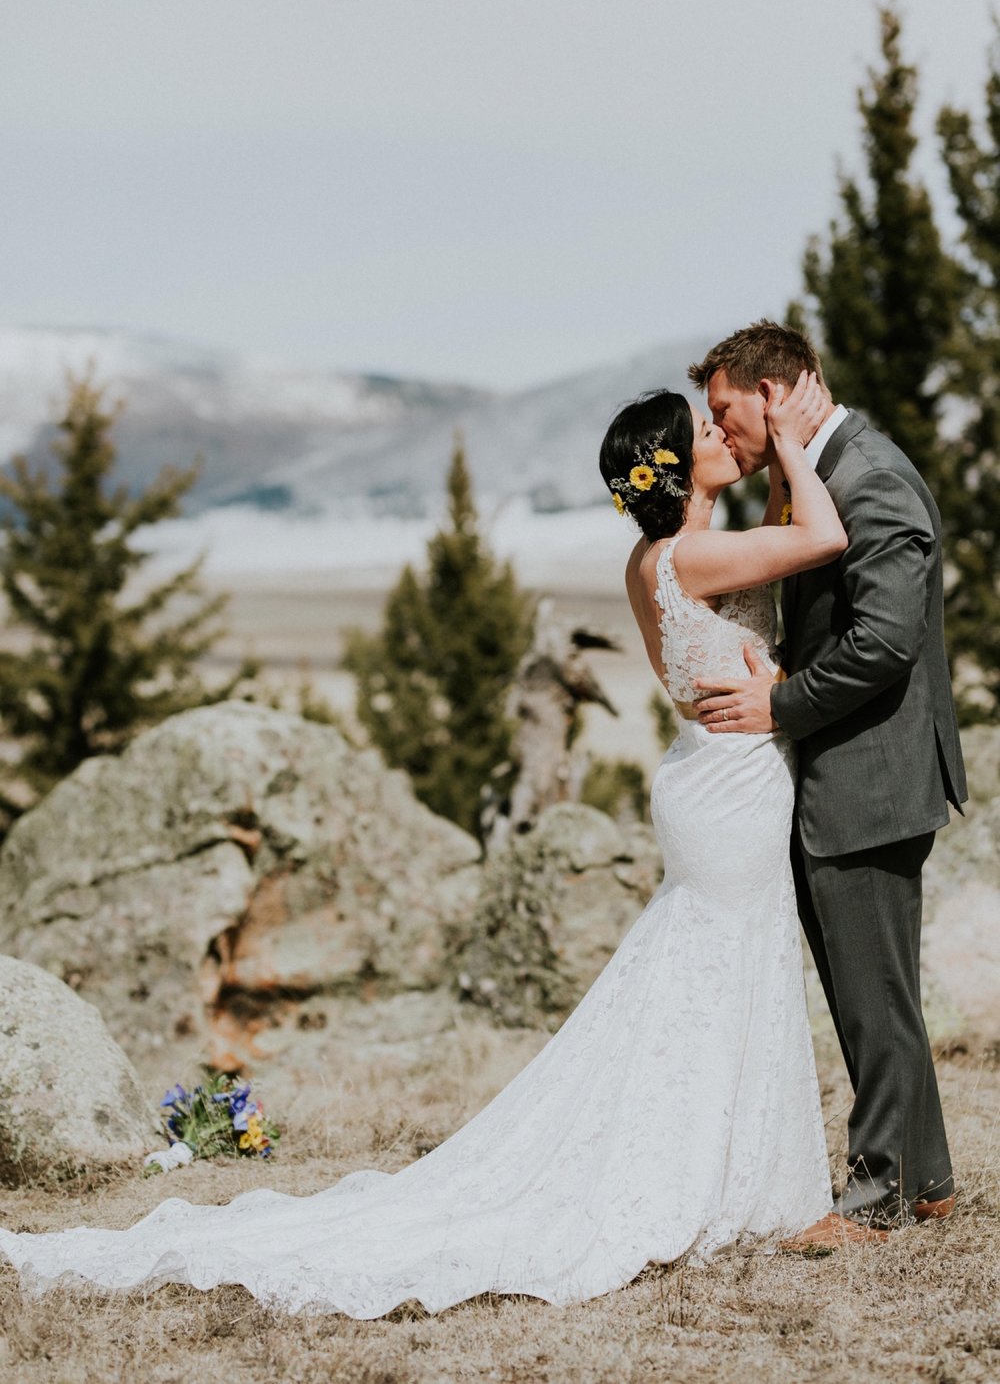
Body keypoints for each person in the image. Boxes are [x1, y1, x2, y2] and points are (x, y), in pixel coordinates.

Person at [0, 374, 846, 1316]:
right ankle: (726, 1175)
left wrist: (757, 468)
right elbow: (822, 537)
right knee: (727, 969)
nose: (723, 431)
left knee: (710, 975)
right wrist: (789, 430)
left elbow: (770, 543)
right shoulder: (696, 558)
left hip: (706, 782)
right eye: (705, 428)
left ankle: (738, 1167)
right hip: (730, 792)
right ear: (681, 465)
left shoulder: (653, 560)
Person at [687, 319, 967, 1245]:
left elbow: (885, 642)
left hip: (870, 778)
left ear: (775, 392)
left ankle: (879, 1193)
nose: (719, 434)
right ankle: (923, 1179)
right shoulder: (817, 474)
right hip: (845, 779)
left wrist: (780, 706)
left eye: (726, 413)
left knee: (870, 992)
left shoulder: (872, 477)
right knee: (877, 990)